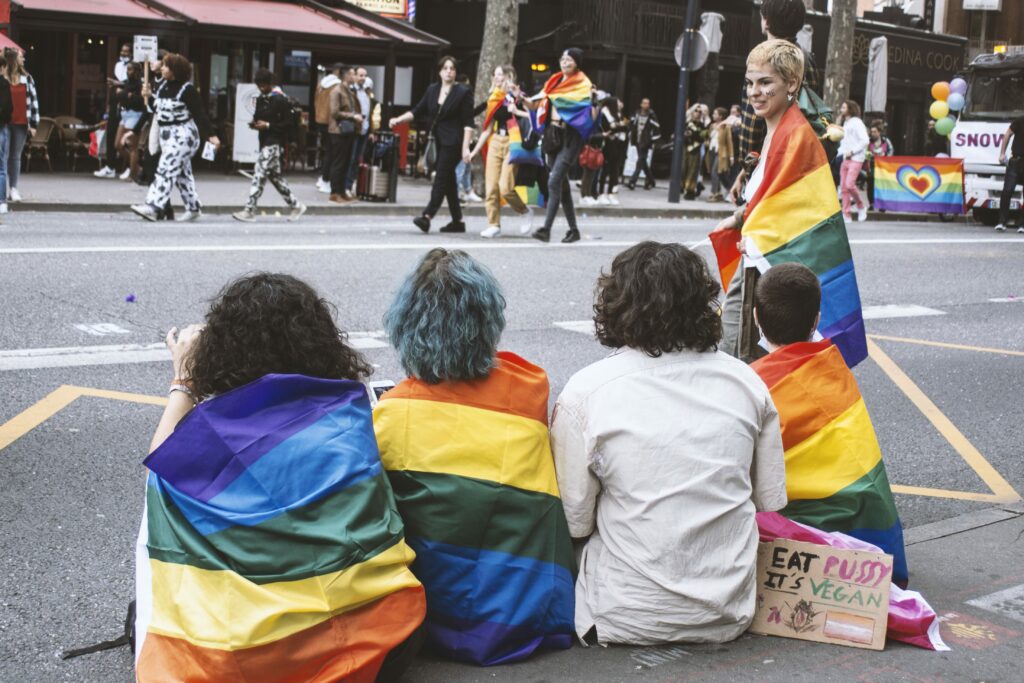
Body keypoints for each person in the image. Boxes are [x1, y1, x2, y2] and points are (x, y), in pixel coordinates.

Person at [135, 273, 426, 681]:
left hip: (257, 662)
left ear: (221, 351)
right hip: (383, 640)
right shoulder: (348, 409)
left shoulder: (214, 436)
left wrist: (183, 381)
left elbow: (158, 470)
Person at [551, 241, 786, 645]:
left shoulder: (586, 392)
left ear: (617, 305)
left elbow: (576, 521)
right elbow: (770, 502)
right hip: (729, 612)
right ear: (703, 303)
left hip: (624, 615)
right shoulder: (747, 382)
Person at [373, 248, 575, 665]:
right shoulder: (529, 388)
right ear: (488, 324)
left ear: (405, 327)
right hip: (524, 615)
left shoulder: (391, 414)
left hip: (426, 620)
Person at [750, 262, 908, 586]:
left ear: (755, 318)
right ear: (817, 320)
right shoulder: (835, 369)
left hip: (792, 545)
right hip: (871, 538)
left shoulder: (751, 385)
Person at [712, 39, 866, 368]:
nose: (755, 91)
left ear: (792, 83)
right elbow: (774, 194)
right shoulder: (779, 130)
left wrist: (749, 224)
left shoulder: (797, 136)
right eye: (750, 83)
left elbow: (798, 207)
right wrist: (739, 218)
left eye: (766, 82)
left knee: (741, 355)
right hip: (759, 254)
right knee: (743, 351)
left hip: (769, 259)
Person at [729, 0, 820, 204]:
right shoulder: (807, 59)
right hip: (799, 162)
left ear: (766, 22)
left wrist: (746, 171)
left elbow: (752, 126)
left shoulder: (763, 59)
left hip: (768, 166)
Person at [517, 48, 596, 243]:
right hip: (552, 136)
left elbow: (589, 115)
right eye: (563, 58)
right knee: (563, 186)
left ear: (576, 63)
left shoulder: (583, 84)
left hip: (571, 137)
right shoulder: (553, 82)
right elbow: (537, 105)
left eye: (569, 59)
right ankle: (574, 230)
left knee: (553, 182)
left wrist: (594, 102)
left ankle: (546, 229)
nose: (565, 62)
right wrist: (523, 99)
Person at [130, 54, 219, 222]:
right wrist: (148, 96)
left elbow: (200, 114)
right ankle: (193, 208)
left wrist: (212, 136)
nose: (162, 68)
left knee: (166, 167)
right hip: (167, 135)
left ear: (175, 70)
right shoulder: (163, 86)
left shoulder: (188, 90)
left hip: (183, 135)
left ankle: (153, 205)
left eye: (166, 66)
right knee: (182, 175)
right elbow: (156, 109)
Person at [390, 56, 474, 234]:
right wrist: (399, 120)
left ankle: (427, 216)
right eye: (445, 68)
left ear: (455, 72)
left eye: (452, 68)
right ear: (440, 71)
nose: (449, 71)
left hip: (454, 142)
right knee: (449, 181)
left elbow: (468, 123)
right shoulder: (432, 90)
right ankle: (458, 221)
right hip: (437, 141)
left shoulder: (463, 92)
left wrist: (465, 148)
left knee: (441, 177)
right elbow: (417, 110)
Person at [467, 64, 533, 238]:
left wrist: (518, 104)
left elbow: (534, 115)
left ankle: (524, 211)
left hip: (514, 142)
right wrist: (473, 152)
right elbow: (487, 129)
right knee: (491, 188)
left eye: (500, 75)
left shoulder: (518, 97)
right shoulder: (493, 99)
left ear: (509, 76)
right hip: (496, 140)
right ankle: (493, 224)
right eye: (495, 75)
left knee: (505, 187)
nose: (497, 78)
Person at [232, 69, 306, 222]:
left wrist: (268, 125)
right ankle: (296, 205)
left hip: (274, 142)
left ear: (270, 83)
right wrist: (255, 124)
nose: (261, 88)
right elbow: (258, 117)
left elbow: (288, 124)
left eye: (263, 85)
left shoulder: (280, 100)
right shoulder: (260, 99)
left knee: (258, 174)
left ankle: (249, 210)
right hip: (264, 141)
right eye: (259, 86)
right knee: (275, 178)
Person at [4, 48, 38, 203]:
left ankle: (14, 188)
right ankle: (2, 190)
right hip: (4, 122)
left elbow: (34, 102)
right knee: (2, 157)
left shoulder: (27, 78)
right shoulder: (2, 77)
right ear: (13, 60)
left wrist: (34, 124)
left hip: (21, 123)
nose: (23, 59)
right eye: (20, 57)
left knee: (15, 157)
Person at [95, 43, 132, 179]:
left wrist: (118, 84)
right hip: (115, 103)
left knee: (125, 139)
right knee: (110, 134)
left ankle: (129, 167)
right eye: (122, 51)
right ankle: (110, 166)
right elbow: (112, 86)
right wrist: (109, 106)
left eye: (126, 51)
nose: (123, 53)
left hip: (127, 105)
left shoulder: (133, 66)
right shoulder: (117, 65)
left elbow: (133, 84)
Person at [327, 65, 362, 205]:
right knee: (339, 162)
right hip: (338, 130)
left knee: (346, 161)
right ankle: (334, 193)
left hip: (348, 130)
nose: (354, 76)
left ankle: (341, 192)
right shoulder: (337, 91)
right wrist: (353, 116)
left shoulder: (348, 90)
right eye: (353, 74)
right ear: (346, 75)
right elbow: (334, 112)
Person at [113, 61, 145, 183]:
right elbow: (121, 96)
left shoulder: (140, 83)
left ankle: (133, 174)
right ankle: (136, 167)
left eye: (131, 69)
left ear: (137, 71)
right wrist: (127, 95)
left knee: (132, 146)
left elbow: (138, 101)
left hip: (135, 114)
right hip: (124, 114)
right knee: (118, 145)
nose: (128, 71)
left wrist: (126, 95)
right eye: (128, 69)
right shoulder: (127, 83)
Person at [837, 99, 869, 223]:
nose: (841, 109)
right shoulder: (846, 123)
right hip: (845, 158)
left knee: (849, 184)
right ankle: (846, 214)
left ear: (850, 109)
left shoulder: (857, 122)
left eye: (844, 107)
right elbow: (844, 143)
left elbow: (865, 140)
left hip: (856, 158)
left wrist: (853, 151)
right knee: (844, 187)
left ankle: (861, 206)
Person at [344, 66, 371, 198]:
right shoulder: (350, 91)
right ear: (354, 76)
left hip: (364, 130)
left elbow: (368, 111)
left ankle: (350, 186)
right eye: (360, 75)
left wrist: (370, 129)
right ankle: (346, 187)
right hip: (354, 129)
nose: (363, 78)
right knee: (351, 158)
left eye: (365, 75)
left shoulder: (365, 92)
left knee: (357, 160)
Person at [314, 64, 342, 194]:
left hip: (320, 119)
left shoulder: (321, 84)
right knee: (333, 152)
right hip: (330, 122)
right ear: (338, 72)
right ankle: (326, 180)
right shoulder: (336, 86)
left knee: (327, 151)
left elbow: (315, 102)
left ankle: (323, 178)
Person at [994, 113, 1023, 232]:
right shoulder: (1020, 120)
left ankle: (1022, 225)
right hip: (1016, 161)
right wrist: (1002, 153)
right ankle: (1002, 222)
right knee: (1007, 191)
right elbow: (1007, 135)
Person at [597, 97, 628, 205]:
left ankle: (611, 192)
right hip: (608, 146)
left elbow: (625, 127)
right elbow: (609, 129)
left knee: (614, 171)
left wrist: (618, 127)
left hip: (617, 145)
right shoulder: (605, 114)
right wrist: (618, 127)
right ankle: (601, 193)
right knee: (605, 170)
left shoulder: (618, 115)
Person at [626, 97, 659, 190]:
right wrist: (630, 134)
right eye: (644, 103)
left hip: (646, 142)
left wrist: (651, 140)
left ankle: (632, 181)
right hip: (637, 140)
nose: (646, 105)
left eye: (647, 103)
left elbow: (656, 128)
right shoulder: (636, 114)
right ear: (641, 104)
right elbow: (631, 123)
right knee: (643, 162)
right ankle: (651, 181)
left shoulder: (651, 115)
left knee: (640, 161)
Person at [707, 106, 734, 202]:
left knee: (716, 172)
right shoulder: (711, 126)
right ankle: (718, 193)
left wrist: (731, 156)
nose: (713, 115)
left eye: (715, 113)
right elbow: (709, 139)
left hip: (721, 152)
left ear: (721, 116)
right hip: (711, 151)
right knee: (713, 172)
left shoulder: (725, 127)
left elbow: (729, 141)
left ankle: (714, 193)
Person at [865, 122, 893, 210]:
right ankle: (872, 204)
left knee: (882, 186)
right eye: (871, 132)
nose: (872, 133)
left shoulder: (885, 140)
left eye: (874, 132)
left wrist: (886, 157)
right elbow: (865, 152)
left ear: (879, 132)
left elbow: (891, 150)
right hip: (872, 166)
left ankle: (882, 205)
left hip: (883, 168)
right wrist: (869, 155)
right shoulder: (868, 141)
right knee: (871, 185)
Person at [681, 105, 707, 200]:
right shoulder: (686, 123)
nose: (697, 113)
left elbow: (703, 137)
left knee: (692, 171)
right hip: (685, 149)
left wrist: (693, 133)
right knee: (682, 169)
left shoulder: (702, 126)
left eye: (700, 112)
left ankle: (690, 191)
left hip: (695, 150)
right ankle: (681, 187)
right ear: (692, 112)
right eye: (696, 111)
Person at [0, 54, 12, 215]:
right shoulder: (4, 84)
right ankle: (1, 201)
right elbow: (9, 109)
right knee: (1, 168)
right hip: (1, 126)